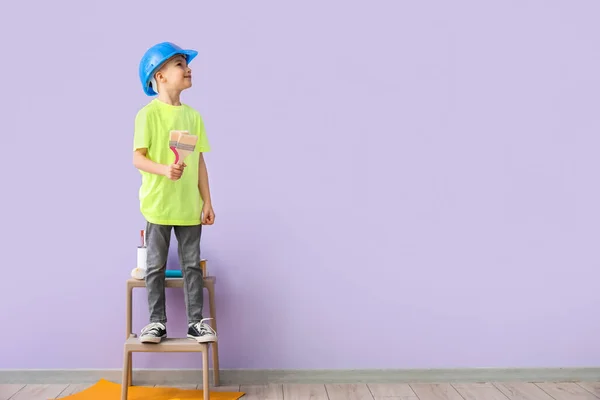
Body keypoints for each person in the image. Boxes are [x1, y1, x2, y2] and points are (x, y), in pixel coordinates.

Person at [132, 42, 217, 344]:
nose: (188, 68)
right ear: (160, 75)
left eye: (186, 63)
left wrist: (207, 201)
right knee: (154, 266)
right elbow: (138, 158)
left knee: (191, 265)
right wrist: (165, 170)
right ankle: (157, 322)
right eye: (180, 64)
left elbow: (199, 163)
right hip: (157, 205)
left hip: (187, 207)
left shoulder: (193, 117)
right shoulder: (148, 115)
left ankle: (196, 322)